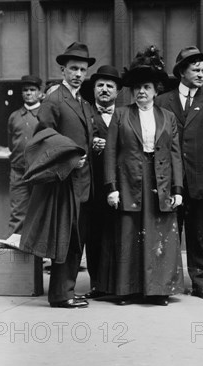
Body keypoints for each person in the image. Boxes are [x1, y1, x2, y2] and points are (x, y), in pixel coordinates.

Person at [104, 46, 184, 306]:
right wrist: (111, 187)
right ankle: (128, 290)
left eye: (147, 88)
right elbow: (111, 152)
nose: (141, 92)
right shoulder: (120, 114)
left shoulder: (167, 117)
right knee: (129, 234)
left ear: (155, 90)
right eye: (137, 88)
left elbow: (175, 154)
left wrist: (177, 189)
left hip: (159, 181)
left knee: (159, 234)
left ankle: (158, 290)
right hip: (130, 180)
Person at [20, 42, 95, 309]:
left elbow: (80, 135)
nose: (78, 74)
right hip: (64, 181)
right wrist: (70, 159)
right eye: (73, 69)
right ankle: (60, 295)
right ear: (63, 70)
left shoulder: (82, 102)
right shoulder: (54, 100)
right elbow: (43, 140)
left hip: (83, 181)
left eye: (82, 70)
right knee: (65, 237)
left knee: (77, 238)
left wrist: (92, 143)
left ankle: (68, 290)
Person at [155, 47, 203, 300]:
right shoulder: (162, 101)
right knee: (168, 231)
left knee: (198, 234)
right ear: (181, 72)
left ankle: (200, 282)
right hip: (170, 179)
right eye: (195, 70)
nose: (201, 74)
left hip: (201, 179)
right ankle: (165, 284)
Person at [81, 65, 122, 300]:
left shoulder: (125, 114)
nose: (104, 90)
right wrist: (90, 144)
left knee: (118, 234)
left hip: (120, 185)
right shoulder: (86, 113)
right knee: (94, 235)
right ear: (94, 89)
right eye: (100, 85)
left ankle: (119, 283)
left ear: (117, 91)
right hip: (94, 186)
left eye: (109, 86)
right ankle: (96, 283)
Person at [5, 75, 43, 240]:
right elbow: (11, 144)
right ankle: (18, 259)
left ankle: (41, 259)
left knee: (40, 212)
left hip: (39, 171)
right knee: (18, 213)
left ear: (40, 93)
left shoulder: (45, 115)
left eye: (32, 90)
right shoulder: (14, 116)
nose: (29, 93)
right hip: (18, 171)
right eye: (25, 90)